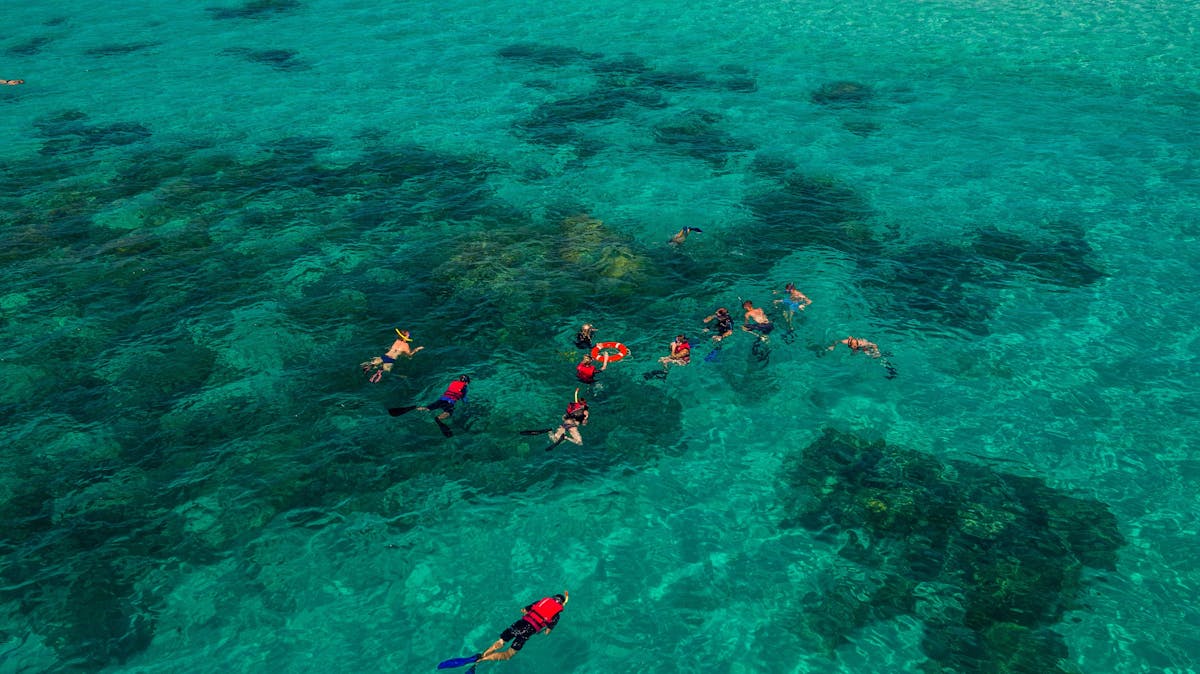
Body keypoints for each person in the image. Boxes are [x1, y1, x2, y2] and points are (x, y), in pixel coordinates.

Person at [478, 592, 569, 662]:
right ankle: (482, 660)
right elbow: (547, 632)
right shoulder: (556, 616)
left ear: (552, 598)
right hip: (527, 632)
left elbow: (523, 610)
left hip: (519, 624)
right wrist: (544, 627)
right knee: (508, 655)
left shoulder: (540, 602)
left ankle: (482, 655)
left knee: (501, 641)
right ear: (561, 604)